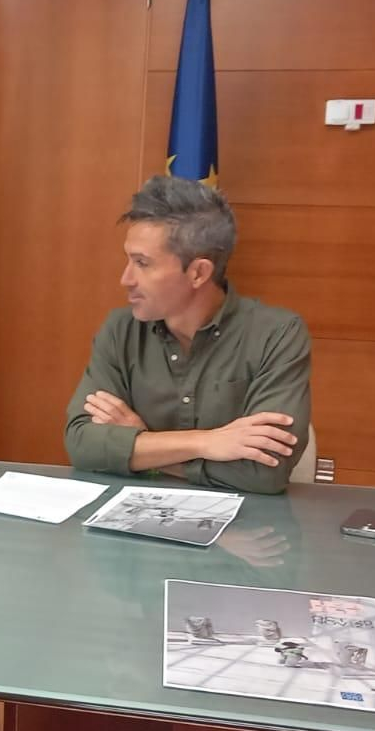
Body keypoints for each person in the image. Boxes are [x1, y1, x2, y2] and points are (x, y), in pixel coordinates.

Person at [64, 176, 311, 496]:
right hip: (132, 525)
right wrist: (207, 442)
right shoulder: (120, 329)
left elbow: (264, 472)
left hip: (244, 536)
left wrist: (141, 443)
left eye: (142, 263)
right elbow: (82, 444)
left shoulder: (276, 335)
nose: (125, 279)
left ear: (198, 273)